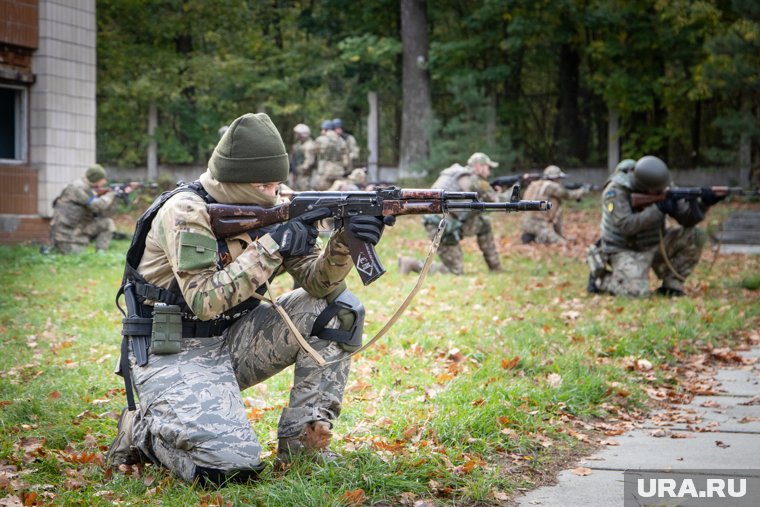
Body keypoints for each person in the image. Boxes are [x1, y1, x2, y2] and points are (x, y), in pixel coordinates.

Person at [106, 113, 389, 484]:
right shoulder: (186, 211)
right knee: (229, 468)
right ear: (232, 179)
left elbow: (318, 284)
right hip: (172, 349)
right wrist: (274, 244)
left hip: (234, 340)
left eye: (277, 183)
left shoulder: (273, 207)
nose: (274, 193)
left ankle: (305, 445)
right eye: (264, 184)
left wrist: (344, 242)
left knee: (339, 311)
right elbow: (204, 300)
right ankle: (143, 429)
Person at [587, 155, 721, 297]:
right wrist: (658, 209)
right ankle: (600, 280)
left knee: (696, 236)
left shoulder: (662, 186)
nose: (661, 191)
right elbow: (626, 226)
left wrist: (704, 203)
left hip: (655, 243)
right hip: (624, 248)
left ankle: (672, 285)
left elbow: (687, 220)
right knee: (636, 293)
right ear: (644, 187)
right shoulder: (615, 192)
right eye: (656, 191)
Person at [422, 152, 503, 274]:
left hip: (440, 222)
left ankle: (495, 267)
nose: (489, 172)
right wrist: (503, 192)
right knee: (455, 271)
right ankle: (412, 264)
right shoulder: (473, 179)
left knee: (483, 224)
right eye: (488, 167)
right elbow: (496, 201)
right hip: (442, 226)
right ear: (478, 167)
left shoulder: (458, 175)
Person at [48, 164, 137, 253]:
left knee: (106, 222)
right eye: (103, 179)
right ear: (96, 178)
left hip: (69, 233)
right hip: (67, 238)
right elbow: (96, 206)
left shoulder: (80, 186)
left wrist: (116, 196)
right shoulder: (79, 188)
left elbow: (104, 212)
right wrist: (112, 194)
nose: (105, 181)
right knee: (107, 224)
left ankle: (100, 254)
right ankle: (99, 254)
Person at [520, 165, 589, 244]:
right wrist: (583, 191)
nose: (559, 181)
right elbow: (568, 195)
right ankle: (539, 238)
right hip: (539, 224)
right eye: (559, 178)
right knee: (562, 243)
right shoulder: (551, 186)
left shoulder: (534, 184)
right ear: (555, 178)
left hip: (526, 222)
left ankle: (531, 236)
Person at [313, 120, 349, 190]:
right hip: (338, 171)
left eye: (322, 129)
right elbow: (346, 161)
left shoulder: (320, 140)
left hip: (324, 171)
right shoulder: (341, 140)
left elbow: (314, 153)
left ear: (325, 129)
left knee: (324, 193)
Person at [290, 123, 318, 191]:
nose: (295, 135)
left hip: (306, 177)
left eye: (297, 133)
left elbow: (309, 163)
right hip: (298, 176)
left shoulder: (309, 146)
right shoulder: (298, 145)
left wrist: (298, 169)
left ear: (302, 135)